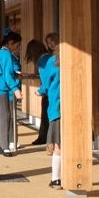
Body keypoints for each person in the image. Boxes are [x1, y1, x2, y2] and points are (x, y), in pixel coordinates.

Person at [0, 30, 23, 157]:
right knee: (5, 117)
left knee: (1, 117)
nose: (17, 48)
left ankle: (1, 145)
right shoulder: (6, 54)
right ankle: (5, 146)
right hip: (1, 88)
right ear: (11, 43)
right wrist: (16, 89)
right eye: (17, 46)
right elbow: (7, 74)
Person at [39, 48, 62, 189]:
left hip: (57, 107)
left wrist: (40, 91)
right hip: (78, 109)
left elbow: (46, 84)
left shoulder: (53, 62)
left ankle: (56, 179)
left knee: (59, 145)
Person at [24, 38, 50, 146]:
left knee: (46, 115)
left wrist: (41, 90)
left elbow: (46, 79)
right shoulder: (48, 58)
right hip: (51, 91)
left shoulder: (43, 62)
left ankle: (44, 137)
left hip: (48, 93)